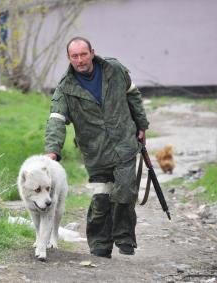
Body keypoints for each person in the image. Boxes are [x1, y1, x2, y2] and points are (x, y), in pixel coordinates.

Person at [45, 37, 149, 258]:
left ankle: (123, 237)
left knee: (125, 191)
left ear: (92, 52)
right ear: (69, 58)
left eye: (83, 54)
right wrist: (53, 149)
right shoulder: (65, 88)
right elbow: (56, 118)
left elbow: (133, 96)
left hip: (124, 142)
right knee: (101, 197)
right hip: (95, 151)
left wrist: (142, 124)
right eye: (75, 56)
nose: (80, 60)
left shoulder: (115, 70)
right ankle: (100, 244)